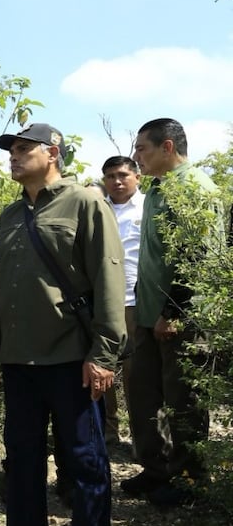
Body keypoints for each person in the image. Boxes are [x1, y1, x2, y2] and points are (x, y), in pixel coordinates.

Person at [0, 123, 126, 526]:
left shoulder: (85, 202)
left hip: (71, 361)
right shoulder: (10, 214)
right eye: (11, 151)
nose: (14, 158)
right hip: (20, 362)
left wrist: (104, 354)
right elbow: (2, 287)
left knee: (84, 466)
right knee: (21, 462)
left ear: (52, 153)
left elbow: (108, 276)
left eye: (23, 150)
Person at [123, 118, 223, 508]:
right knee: (145, 395)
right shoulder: (158, 189)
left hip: (179, 319)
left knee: (184, 402)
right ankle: (156, 470)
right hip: (149, 315)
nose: (136, 158)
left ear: (167, 147)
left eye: (142, 149)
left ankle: (189, 481)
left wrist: (174, 311)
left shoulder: (195, 188)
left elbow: (198, 260)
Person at [100, 155, 145, 447]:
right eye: (110, 176)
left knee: (137, 377)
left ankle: (143, 442)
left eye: (123, 175)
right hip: (102, 303)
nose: (116, 181)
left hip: (135, 302)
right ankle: (107, 435)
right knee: (100, 371)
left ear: (137, 177)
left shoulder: (147, 207)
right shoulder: (97, 208)